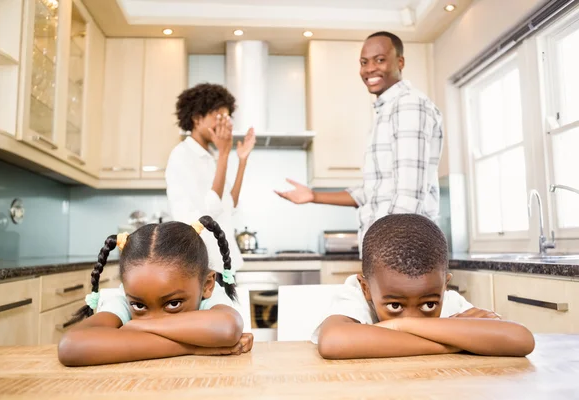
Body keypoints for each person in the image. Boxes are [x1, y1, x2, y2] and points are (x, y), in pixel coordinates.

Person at [276, 32, 443, 249]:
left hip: (401, 250)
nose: (369, 68)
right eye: (364, 62)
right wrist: (313, 196)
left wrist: (389, 255)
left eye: (380, 60)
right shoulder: (387, 111)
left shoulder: (408, 105)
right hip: (389, 249)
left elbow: (408, 195)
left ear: (400, 62)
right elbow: (371, 193)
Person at [314, 214, 535, 359]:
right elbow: (333, 342)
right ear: (366, 288)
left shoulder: (448, 300)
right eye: (394, 306)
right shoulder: (355, 297)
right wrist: (454, 342)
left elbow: (521, 339)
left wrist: (400, 326)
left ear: (444, 286)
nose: (413, 317)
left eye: (429, 305)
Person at [57, 216, 253, 366]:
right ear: (126, 290)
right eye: (139, 306)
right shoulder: (125, 300)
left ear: (207, 285)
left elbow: (227, 328)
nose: (153, 318)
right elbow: (70, 346)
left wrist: (138, 326)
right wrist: (194, 346)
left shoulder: (208, 297)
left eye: (173, 304)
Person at [166, 83, 255, 275]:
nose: (225, 124)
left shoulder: (212, 156)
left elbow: (229, 205)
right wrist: (224, 154)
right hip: (203, 266)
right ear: (197, 118)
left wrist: (242, 161)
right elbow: (206, 216)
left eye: (227, 118)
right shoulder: (182, 155)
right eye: (219, 118)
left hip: (225, 262)